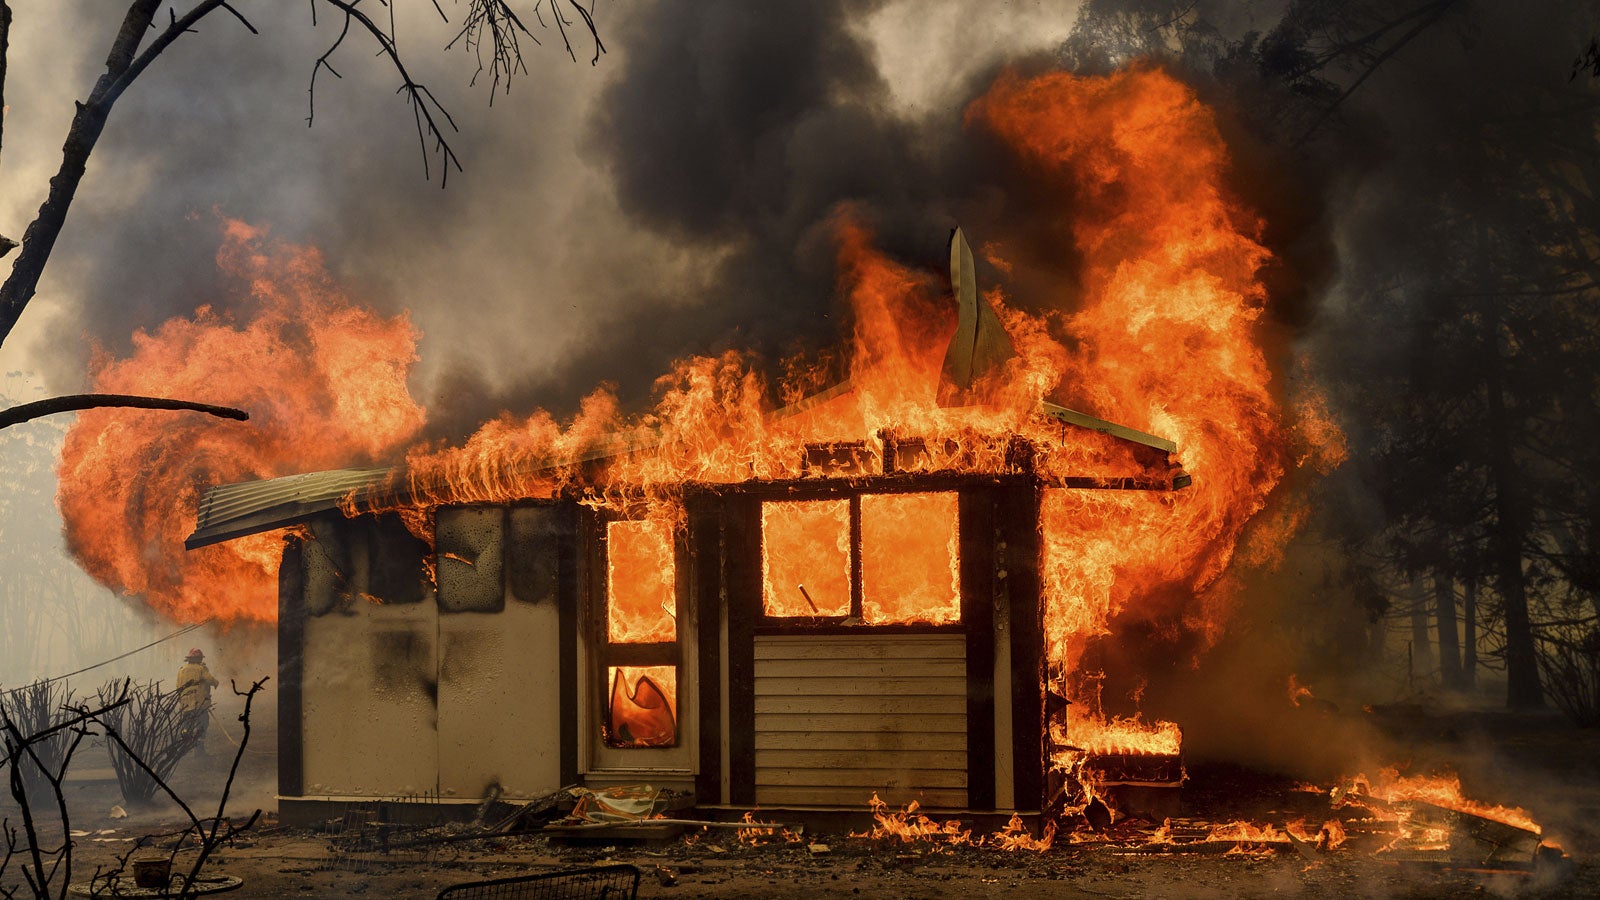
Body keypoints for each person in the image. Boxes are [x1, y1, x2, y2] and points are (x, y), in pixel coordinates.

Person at [176, 648, 219, 737]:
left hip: (185, 703)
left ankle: (185, 737)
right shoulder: (201, 669)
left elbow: (178, 686)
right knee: (203, 722)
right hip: (199, 703)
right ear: (199, 659)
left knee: (187, 722)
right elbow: (210, 679)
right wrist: (216, 683)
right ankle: (199, 740)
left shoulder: (181, 670)